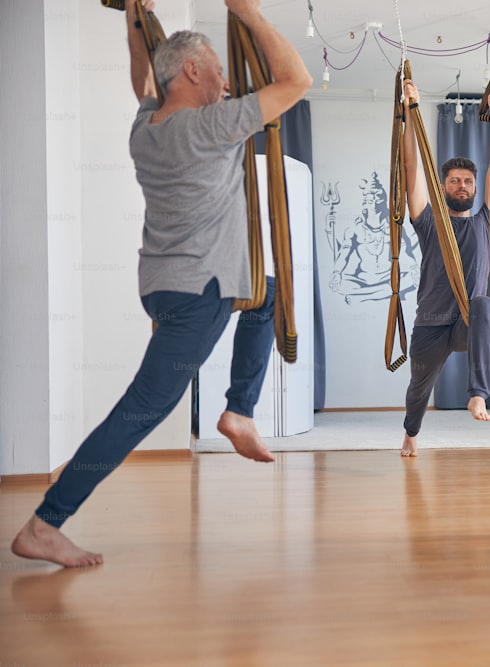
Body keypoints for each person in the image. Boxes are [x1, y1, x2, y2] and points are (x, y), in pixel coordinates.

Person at [10, 0, 312, 567]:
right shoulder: (210, 126)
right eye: (219, 69)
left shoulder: (146, 127)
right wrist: (248, 13)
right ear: (193, 72)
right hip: (201, 290)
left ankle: (238, 409)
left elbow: (144, 78)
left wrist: (133, 16)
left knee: (267, 294)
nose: (227, 81)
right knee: (141, 411)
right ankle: (45, 524)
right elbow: (296, 80)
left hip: (166, 286)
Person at [398, 79, 490, 457]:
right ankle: (411, 433)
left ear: (475, 189)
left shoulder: (484, 222)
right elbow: (413, 169)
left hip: (464, 322)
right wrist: (411, 111)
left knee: (484, 304)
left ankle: (478, 394)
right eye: (455, 181)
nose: (462, 185)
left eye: (468, 182)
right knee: (418, 391)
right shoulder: (430, 222)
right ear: (443, 186)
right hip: (430, 320)